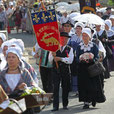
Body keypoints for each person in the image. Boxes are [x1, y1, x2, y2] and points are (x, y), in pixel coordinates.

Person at [76, 28, 106, 109]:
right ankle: (86, 102)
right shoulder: (79, 46)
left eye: (86, 35)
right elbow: (76, 58)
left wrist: (92, 59)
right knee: (84, 86)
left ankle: (93, 99)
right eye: (83, 35)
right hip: (83, 69)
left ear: (89, 36)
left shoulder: (94, 45)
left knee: (92, 86)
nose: (84, 37)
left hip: (92, 68)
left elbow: (97, 56)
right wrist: (81, 59)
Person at [49, 32, 74, 111]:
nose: (64, 40)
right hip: (55, 71)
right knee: (55, 88)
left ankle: (65, 104)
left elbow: (70, 60)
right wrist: (53, 56)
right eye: (62, 39)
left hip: (65, 70)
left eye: (66, 39)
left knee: (65, 87)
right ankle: (55, 106)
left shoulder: (70, 49)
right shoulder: (54, 49)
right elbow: (50, 61)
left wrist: (60, 59)